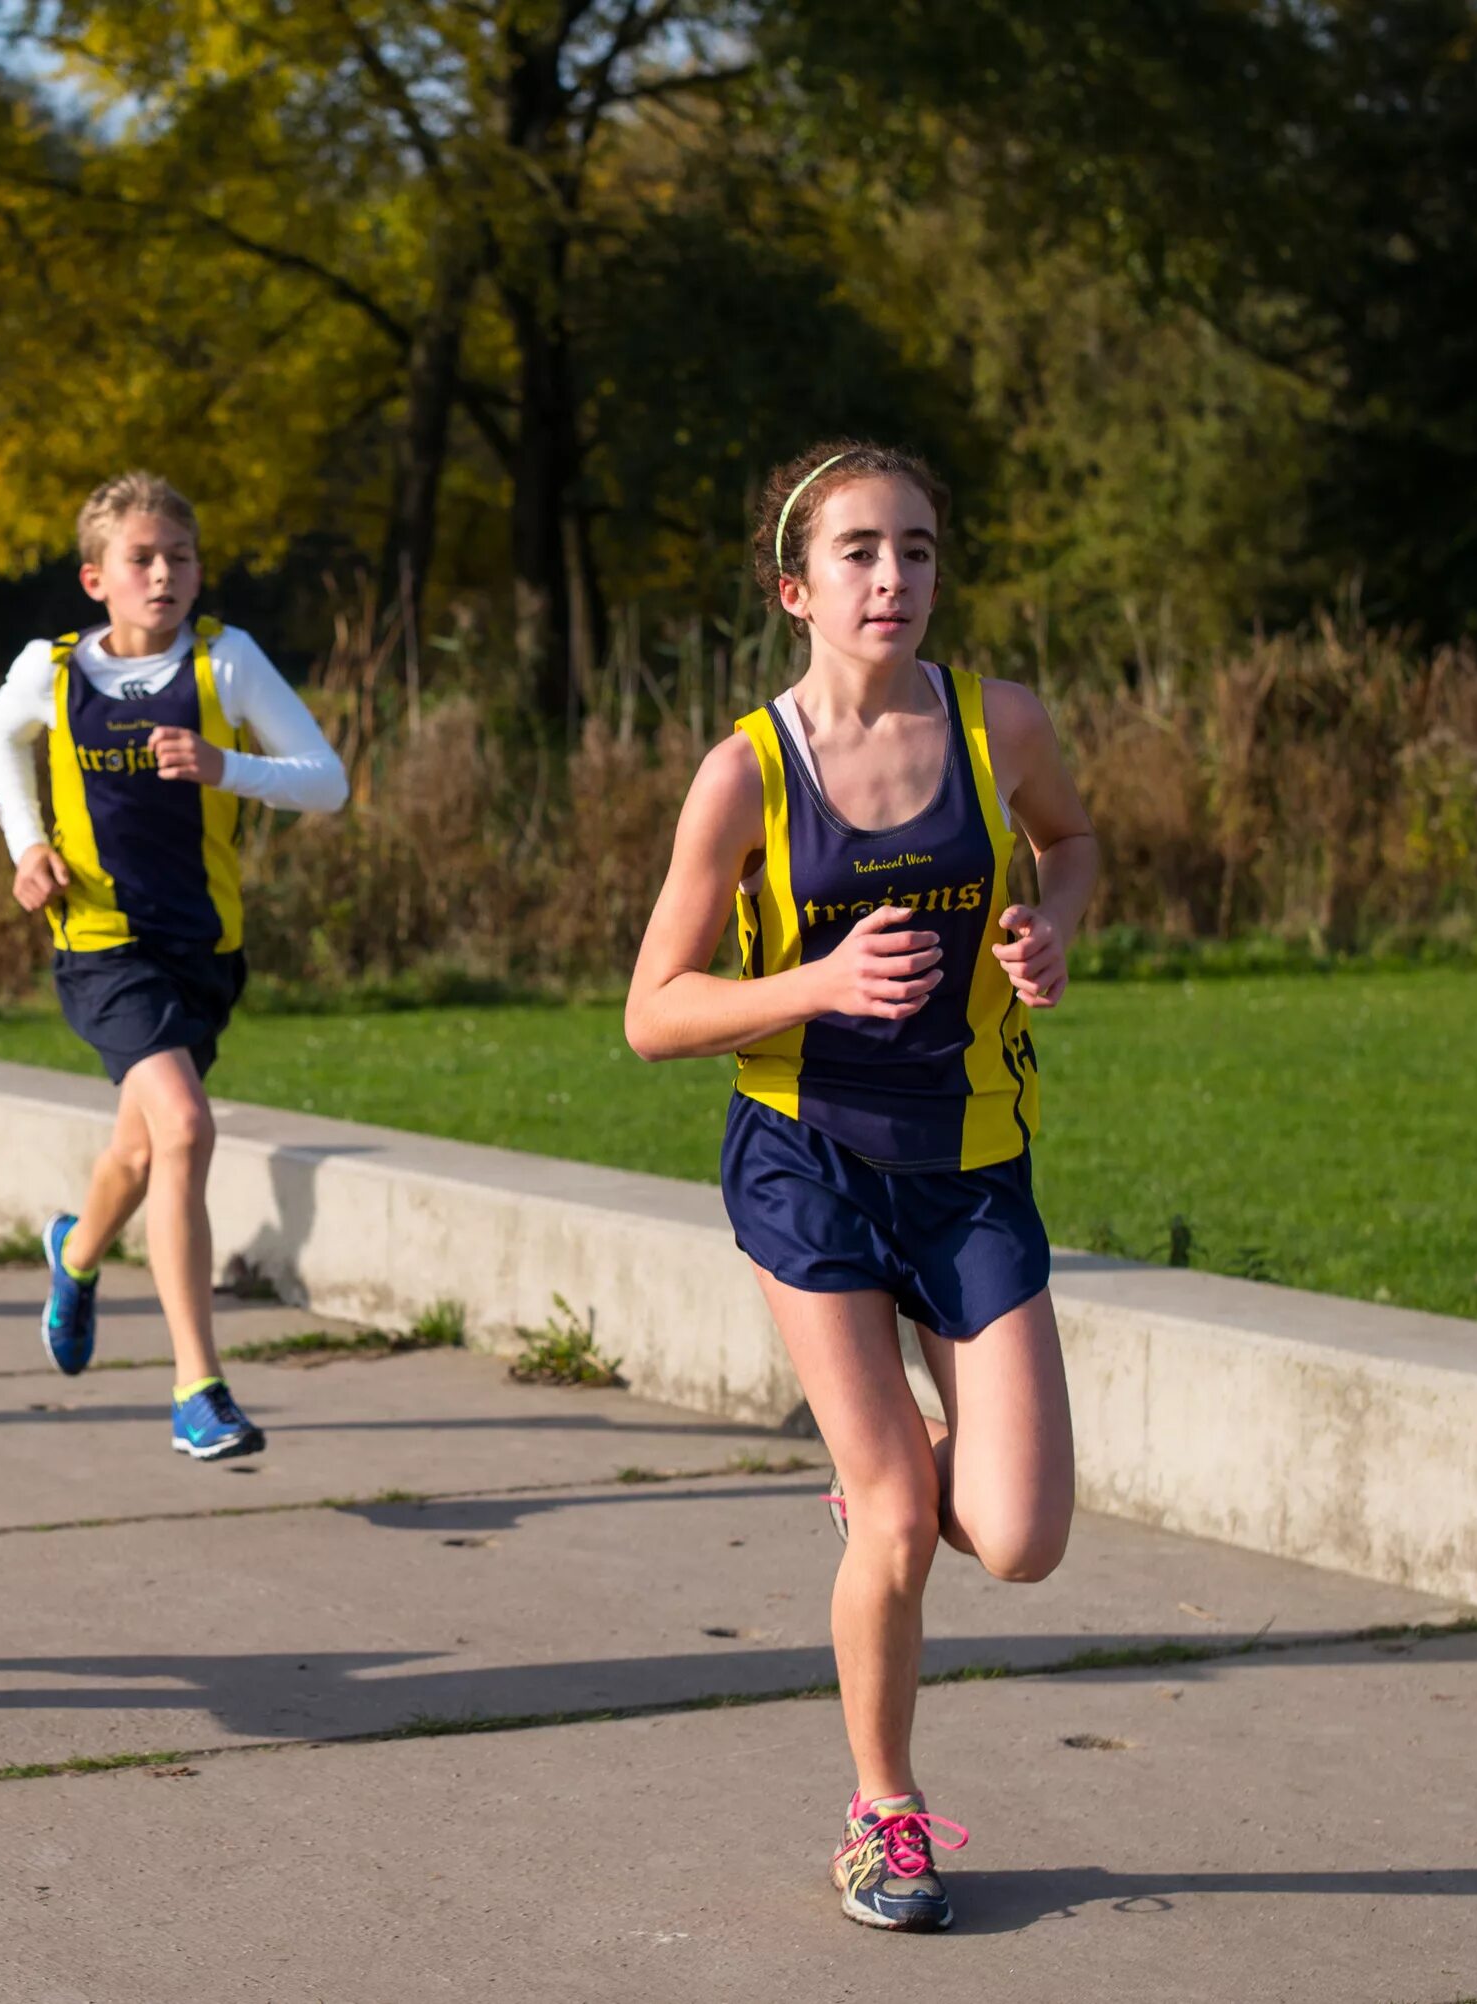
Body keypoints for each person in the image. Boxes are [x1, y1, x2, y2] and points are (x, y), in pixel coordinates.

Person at [623, 440, 1099, 1932]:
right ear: (796, 589)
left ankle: (887, 1452)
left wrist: (1051, 931)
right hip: (807, 1163)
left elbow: (1072, 846)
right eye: (860, 554)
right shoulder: (744, 774)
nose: (895, 579)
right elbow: (651, 1010)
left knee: (1018, 1538)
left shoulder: (997, 722)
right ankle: (883, 1817)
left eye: (919, 549)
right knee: (899, 1513)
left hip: (971, 1164)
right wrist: (818, 980)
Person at [0, 472, 348, 1460]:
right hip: (98, 944)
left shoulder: (227, 664)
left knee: (141, 1152)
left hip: (203, 949)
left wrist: (232, 769)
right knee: (184, 1128)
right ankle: (198, 1389)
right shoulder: (49, 671)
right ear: (96, 577)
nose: (164, 574)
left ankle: (75, 1250)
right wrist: (26, 846)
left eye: (179, 557)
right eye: (141, 559)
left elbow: (328, 783)